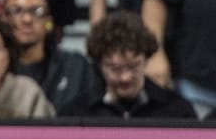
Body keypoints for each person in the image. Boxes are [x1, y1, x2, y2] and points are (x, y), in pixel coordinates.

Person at [61, 9, 196, 120]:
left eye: (133, 66)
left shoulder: (178, 112)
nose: (125, 77)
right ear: (100, 65)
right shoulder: (75, 114)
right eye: (115, 69)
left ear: (146, 60)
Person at [0, 0, 99, 114]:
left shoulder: (76, 67)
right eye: (16, 11)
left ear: (49, 24)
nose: (27, 19)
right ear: (3, 19)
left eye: (38, 11)